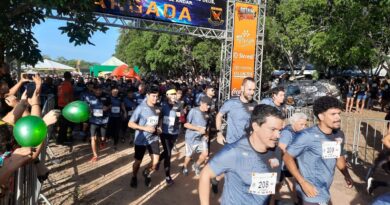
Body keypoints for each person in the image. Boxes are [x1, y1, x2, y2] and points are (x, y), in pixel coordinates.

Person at [198, 104, 285, 205]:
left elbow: (271, 187)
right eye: (273, 129)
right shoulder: (234, 152)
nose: (278, 135)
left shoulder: (277, 151)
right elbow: (205, 174)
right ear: (256, 126)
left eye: (280, 130)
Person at [283, 96, 354, 205]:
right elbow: (287, 156)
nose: (338, 117)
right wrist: (302, 182)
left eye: (339, 113)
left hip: (325, 190)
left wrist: (346, 175)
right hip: (309, 193)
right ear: (321, 116)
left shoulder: (338, 134)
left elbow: (338, 155)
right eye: (333, 114)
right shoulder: (307, 135)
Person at [211, 77, 257, 193]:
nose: (252, 92)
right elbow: (219, 116)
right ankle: (220, 182)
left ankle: (217, 179)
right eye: (249, 89)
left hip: (247, 143)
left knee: (242, 168)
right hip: (232, 143)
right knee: (232, 169)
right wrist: (219, 133)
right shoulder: (231, 103)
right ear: (242, 88)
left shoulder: (255, 105)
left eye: (253, 90)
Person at [128, 85, 161, 188]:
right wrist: (144, 128)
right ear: (147, 95)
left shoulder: (157, 108)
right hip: (141, 139)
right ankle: (134, 176)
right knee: (137, 162)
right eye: (153, 96)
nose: (155, 98)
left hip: (153, 138)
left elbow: (158, 121)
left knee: (155, 161)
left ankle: (146, 171)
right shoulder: (141, 108)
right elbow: (130, 124)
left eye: (157, 96)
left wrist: (159, 127)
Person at [278, 112, 308, 203]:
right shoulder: (287, 133)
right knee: (289, 182)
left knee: (291, 182)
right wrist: (289, 159)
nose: (304, 127)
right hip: (286, 164)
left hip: (292, 162)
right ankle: (295, 200)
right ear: (293, 123)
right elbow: (281, 148)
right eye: (301, 124)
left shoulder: (297, 131)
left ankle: (295, 200)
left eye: (305, 124)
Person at [159, 88, 183, 185]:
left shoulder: (179, 104)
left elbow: (182, 116)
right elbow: (159, 116)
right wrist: (159, 126)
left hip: (174, 132)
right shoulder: (162, 105)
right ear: (167, 96)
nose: (174, 96)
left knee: (166, 151)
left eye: (174, 94)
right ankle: (167, 176)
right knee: (168, 154)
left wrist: (180, 114)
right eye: (172, 94)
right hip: (164, 132)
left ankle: (158, 161)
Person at [182, 96, 211, 176]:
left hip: (201, 138)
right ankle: (184, 166)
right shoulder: (193, 111)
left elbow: (207, 127)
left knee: (205, 154)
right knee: (189, 155)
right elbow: (186, 124)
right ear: (201, 103)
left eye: (209, 105)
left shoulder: (207, 114)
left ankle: (196, 165)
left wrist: (207, 134)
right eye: (207, 105)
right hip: (191, 138)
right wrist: (198, 129)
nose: (208, 107)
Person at [84, 84, 111, 162]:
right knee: (93, 138)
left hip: (104, 120)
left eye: (100, 90)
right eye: (97, 90)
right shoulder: (89, 97)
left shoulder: (106, 96)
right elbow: (85, 107)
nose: (98, 91)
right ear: (94, 90)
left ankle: (102, 141)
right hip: (93, 120)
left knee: (102, 138)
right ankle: (95, 155)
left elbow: (110, 105)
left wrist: (107, 108)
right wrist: (89, 110)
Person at [56, 71, 74, 145]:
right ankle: (61, 140)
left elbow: (59, 94)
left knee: (63, 124)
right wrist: (69, 105)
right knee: (64, 124)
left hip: (61, 105)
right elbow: (66, 95)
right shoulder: (67, 84)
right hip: (65, 106)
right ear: (70, 77)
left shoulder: (61, 84)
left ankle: (62, 139)